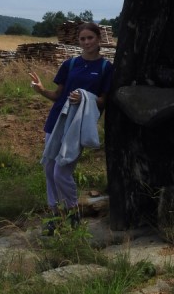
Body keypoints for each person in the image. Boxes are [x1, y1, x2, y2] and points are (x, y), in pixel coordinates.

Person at [30, 22, 114, 234]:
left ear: (99, 39)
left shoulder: (105, 68)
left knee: (61, 172)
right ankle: (55, 216)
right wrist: (41, 90)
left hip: (77, 125)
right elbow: (57, 95)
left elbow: (103, 101)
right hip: (56, 121)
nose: (86, 42)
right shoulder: (70, 64)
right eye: (82, 39)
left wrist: (85, 97)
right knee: (49, 169)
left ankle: (72, 213)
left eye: (90, 38)